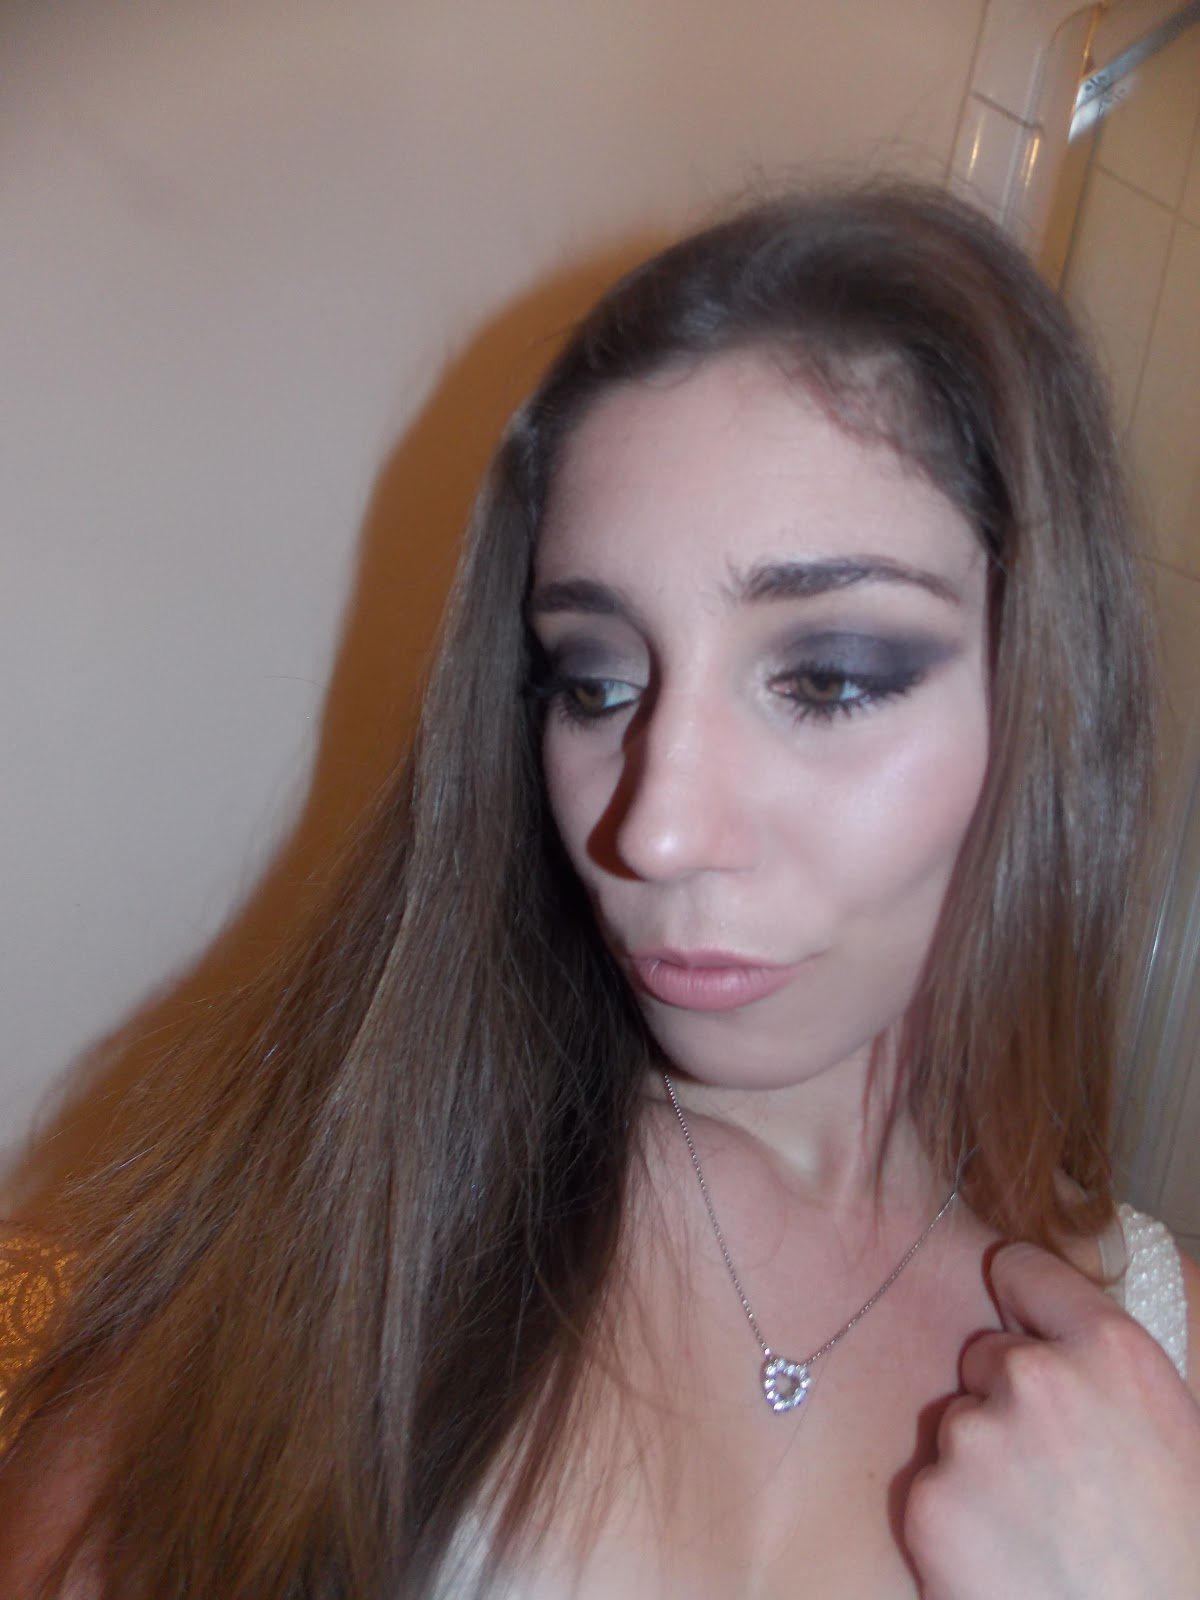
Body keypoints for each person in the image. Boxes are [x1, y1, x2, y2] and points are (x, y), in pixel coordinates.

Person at [1, 180, 1198, 1598]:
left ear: (1050, 699)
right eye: (595, 683)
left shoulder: (1160, 1359)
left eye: (828, 680)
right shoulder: (353, 1227)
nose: (657, 829)